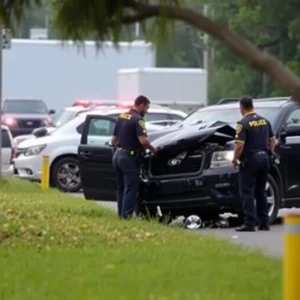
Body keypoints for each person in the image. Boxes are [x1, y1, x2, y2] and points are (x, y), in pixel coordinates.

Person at [232, 96, 276, 232]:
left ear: (242, 107)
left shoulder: (243, 123)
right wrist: (270, 153)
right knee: (261, 191)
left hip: (251, 160)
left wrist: (234, 159)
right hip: (264, 159)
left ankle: (249, 223)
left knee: (247, 192)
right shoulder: (265, 121)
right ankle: (264, 223)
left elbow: (239, 145)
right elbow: (273, 141)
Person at [111, 95, 158, 219]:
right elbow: (143, 141)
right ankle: (126, 217)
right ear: (141, 105)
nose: (147, 111)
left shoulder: (122, 116)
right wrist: (153, 149)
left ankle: (121, 215)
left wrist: (120, 150)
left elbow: (113, 140)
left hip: (117, 156)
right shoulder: (138, 120)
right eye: (146, 108)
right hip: (129, 158)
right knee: (130, 188)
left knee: (121, 188)